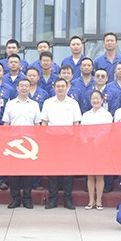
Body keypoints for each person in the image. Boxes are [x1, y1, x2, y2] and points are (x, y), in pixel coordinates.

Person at [40, 78, 83, 209]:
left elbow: (76, 123)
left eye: (62, 86)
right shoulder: (48, 103)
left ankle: (68, 199)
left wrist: (75, 140)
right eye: (58, 86)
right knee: (52, 171)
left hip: (68, 141)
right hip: (52, 140)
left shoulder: (73, 103)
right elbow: (44, 122)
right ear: (54, 88)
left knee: (68, 170)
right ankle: (52, 199)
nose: (60, 88)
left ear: (67, 87)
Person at [2, 78, 42, 208]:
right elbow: (6, 123)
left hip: (29, 143)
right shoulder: (10, 104)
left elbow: (37, 124)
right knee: (14, 173)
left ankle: (27, 199)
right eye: (22, 86)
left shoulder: (34, 105)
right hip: (14, 143)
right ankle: (15, 199)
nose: (24, 88)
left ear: (30, 88)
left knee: (28, 173)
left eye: (26, 86)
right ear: (17, 88)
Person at [81, 89, 113, 210]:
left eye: (97, 98)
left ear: (102, 100)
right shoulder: (86, 115)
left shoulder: (106, 114)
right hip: (88, 147)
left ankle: (99, 201)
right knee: (90, 175)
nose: (95, 100)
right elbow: (82, 130)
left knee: (100, 175)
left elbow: (106, 130)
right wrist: (85, 140)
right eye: (93, 98)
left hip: (101, 146)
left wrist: (97, 140)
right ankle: (91, 201)